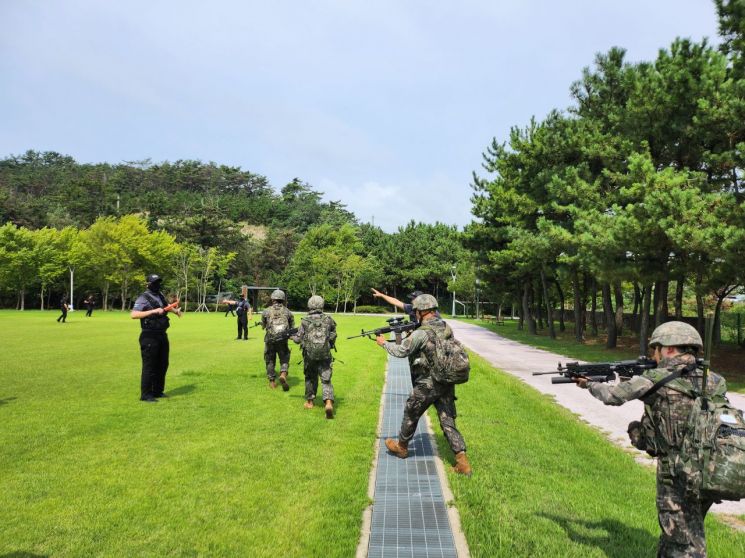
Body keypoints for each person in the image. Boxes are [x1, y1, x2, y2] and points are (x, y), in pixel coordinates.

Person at [575, 321, 731, 557]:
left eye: (655, 349)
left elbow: (612, 396)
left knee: (684, 543)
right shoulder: (716, 380)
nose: (653, 354)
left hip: (676, 473)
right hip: (708, 469)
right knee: (684, 530)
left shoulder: (654, 378)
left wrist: (589, 384)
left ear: (668, 349)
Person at [375, 294, 471, 475]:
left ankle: (401, 447)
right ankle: (462, 460)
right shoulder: (446, 326)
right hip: (446, 381)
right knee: (447, 420)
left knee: (411, 411)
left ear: (420, 311)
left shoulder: (421, 333)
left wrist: (382, 344)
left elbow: (402, 351)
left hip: (428, 383)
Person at [130, 274, 182, 403]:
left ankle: (158, 391)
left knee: (163, 363)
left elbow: (165, 307)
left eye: (158, 282)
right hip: (149, 335)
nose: (157, 285)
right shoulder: (143, 298)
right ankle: (146, 394)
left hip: (161, 334)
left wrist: (175, 311)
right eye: (154, 282)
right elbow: (134, 315)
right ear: (148, 284)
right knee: (150, 365)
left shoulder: (160, 296)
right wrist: (152, 311)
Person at [291, 295, 337, 418]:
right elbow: (333, 334)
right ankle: (328, 402)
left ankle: (310, 402)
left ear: (310, 305)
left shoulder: (305, 321)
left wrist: (291, 336)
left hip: (309, 355)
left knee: (310, 378)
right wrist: (329, 344)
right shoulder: (329, 319)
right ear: (321, 305)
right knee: (326, 379)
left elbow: (298, 339)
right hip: (325, 354)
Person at [261, 289, 294, 391]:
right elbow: (292, 328)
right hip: (283, 340)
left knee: (270, 360)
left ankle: (272, 382)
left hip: (270, 340)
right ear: (283, 299)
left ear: (272, 299)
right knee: (284, 357)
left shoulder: (266, 311)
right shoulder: (288, 312)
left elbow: (263, 325)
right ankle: (283, 373)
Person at [371, 288, 438, 322]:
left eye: (413, 299)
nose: (411, 301)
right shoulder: (411, 308)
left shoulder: (431, 312)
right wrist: (382, 295)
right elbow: (395, 301)